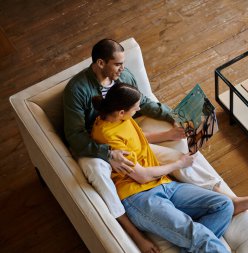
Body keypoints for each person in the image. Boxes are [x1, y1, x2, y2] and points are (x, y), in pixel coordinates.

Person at [91, 82, 248, 252]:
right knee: (198, 236)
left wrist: (169, 135)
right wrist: (179, 164)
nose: (138, 110)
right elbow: (142, 176)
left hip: (164, 185)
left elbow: (137, 138)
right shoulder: (107, 135)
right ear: (122, 112)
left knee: (224, 204)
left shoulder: (120, 119)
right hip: (140, 198)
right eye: (135, 108)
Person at [63, 38, 182, 252]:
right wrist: (107, 153)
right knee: (99, 173)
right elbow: (75, 135)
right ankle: (135, 235)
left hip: (122, 136)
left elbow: (142, 102)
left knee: (176, 155)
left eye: (123, 63)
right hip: (92, 145)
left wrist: (170, 115)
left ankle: (219, 192)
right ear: (100, 63)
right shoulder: (77, 89)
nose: (123, 68)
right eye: (117, 64)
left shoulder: (123, 76)